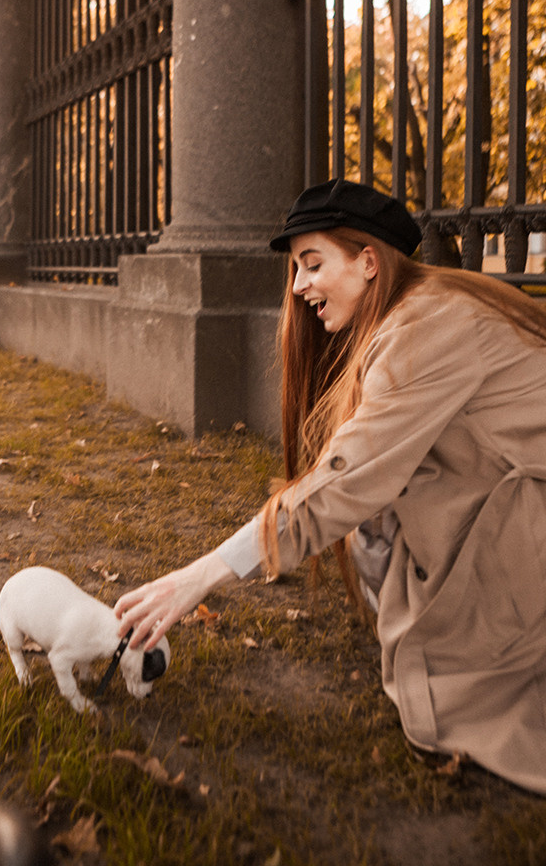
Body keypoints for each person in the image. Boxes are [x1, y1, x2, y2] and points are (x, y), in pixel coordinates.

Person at [114, 178, 546, 794]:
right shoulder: (414, 313)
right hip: (512, 500)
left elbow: (342, 484)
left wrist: (200, 575)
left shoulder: (425, 328)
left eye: (312, 265)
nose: (297, 287)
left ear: (368, 261)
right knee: (378, 523)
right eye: (295, 270)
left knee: (457, 699)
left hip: (529, 516)